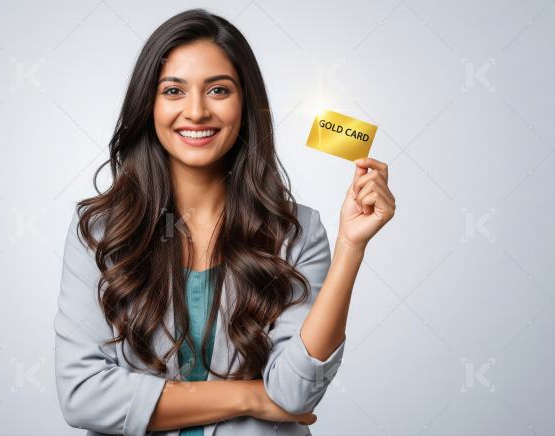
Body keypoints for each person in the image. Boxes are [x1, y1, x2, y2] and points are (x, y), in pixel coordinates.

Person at [54, 8, 395, 436]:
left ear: (245, 103)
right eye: (173, 90)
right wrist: (252, 397)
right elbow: (83, 394)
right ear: (148, 104)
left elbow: (294, 393)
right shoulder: (101, 231)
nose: (196, 112)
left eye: (218, 90)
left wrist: (351, 245)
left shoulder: (297, 232)